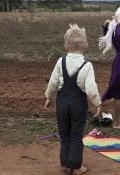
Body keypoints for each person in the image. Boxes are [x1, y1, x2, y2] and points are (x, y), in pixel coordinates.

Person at [44, 24, 102, 175]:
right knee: (76, 134)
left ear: (65, 45)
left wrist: (49, 98)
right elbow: (90, 87)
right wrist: (97, 103)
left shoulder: (60, 61)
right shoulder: (87, 65)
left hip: (62, 103)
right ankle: (76, 167)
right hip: (78, 105)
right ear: (86, 45)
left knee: (64, 134)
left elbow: (53, 82)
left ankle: (65, 165)